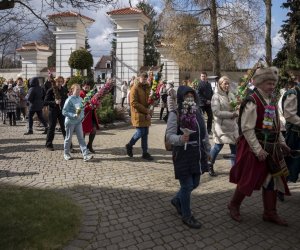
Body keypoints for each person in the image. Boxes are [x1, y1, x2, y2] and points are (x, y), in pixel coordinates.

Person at [228, 66, 291, 226]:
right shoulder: (252, 102)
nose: (272, 86)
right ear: (259, 83)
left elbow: (275, 126)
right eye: (268, 83)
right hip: (254, 149)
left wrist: (282, 143)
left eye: (273, 83)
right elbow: (247, 129)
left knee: (271, 179)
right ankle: (233, 205)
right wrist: (258, 150)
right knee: (248, 179)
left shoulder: (270, 100)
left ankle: (270, 213)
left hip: (272, 148)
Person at [166, 85, 210, 229]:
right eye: (186, 96)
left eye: (192, 96)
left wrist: (208, 150)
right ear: (181, 97)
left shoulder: (198, 112)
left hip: (197, 154)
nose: (190, 98)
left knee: (195, 183)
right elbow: (169, 136)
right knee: (187, 185)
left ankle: (177, 200)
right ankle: (186, 216)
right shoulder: (175, 113)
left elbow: (204, 134)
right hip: (182, 154)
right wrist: (180, 139)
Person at [209, 76, 239, 177]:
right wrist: (231, 114)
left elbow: (236, 107)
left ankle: (234, 170)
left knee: (235, 148)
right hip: (222, 127)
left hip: (233, 126)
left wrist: (238, 109)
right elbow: (216, 112)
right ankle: (209, 164)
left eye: (228, 83)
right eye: (225, 84)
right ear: (220, 84)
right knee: (217, 147)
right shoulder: (216, 96)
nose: (227, 85)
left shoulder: (231, 95)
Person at [125, 72, 153, 161]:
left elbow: (149, 100)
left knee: (145, 134)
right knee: (140, 132)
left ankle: (145, 152)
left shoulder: (147, 87)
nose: (144, 80)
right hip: (138, 113)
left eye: (146, 79)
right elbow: (133, 102)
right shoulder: (135, 88)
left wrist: (149, 111)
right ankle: (129, 145)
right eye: (143, 79)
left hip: (146, 114)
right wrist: (146, 111)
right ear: (139, 78)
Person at [62, 84, 93, 162]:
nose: (79, 91)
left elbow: (81, 109)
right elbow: (64, 111)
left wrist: (85, 108)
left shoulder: (80, 99)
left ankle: (85, 155)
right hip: (70, 122)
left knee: (81, 139)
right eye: (77, 89)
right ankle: (66, 153)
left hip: (78, 122)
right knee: (68, 138)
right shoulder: (69, 99)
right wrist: (73, 115)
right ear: (72, 90)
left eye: (79, 89)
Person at [282, 80, 300, 184]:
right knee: (289, 163)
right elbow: (289, 115)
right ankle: (280, 187)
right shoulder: (293, 93)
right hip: (294, 134)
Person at [44, 76, 68, 151]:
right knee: (51, 128)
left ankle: (68, 145)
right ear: (55, 82)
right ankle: (49, 144)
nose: (60, 83)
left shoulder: (64, 90)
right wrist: (54, 102)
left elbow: (66, 100)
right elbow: (45, 102)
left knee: (65, 128)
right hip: (53, 111)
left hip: (62, 111)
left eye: (61, 81)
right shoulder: (51, 90)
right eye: (58, 81)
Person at [80, 81, 100, 153]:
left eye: (88, 86)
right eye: (85, 86)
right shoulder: (81, 94)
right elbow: (81, 105)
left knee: (94, 129)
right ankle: (83, 147)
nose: (87, 87)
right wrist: (89, 106)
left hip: (91, 115)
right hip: (84, 115)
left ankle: (89, 145)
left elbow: (95, 101)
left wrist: (96, 104)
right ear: (82, 86)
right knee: (83, 131)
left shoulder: (92, 93)